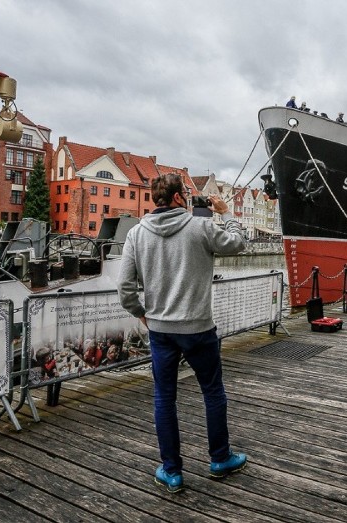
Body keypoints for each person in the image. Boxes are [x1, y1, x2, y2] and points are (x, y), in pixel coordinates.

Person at [117, 173, 248, 492]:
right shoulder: (200, 227)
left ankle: (172, 470)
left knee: (164, 397)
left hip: (160, 331)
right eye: (186, 195)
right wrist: (225, 213)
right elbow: (239, 244)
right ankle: (220, 459)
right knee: (212, 392)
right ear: (177, 198)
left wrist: (141, 314)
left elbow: (124, 288)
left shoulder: (136, 234)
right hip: (198, 328)